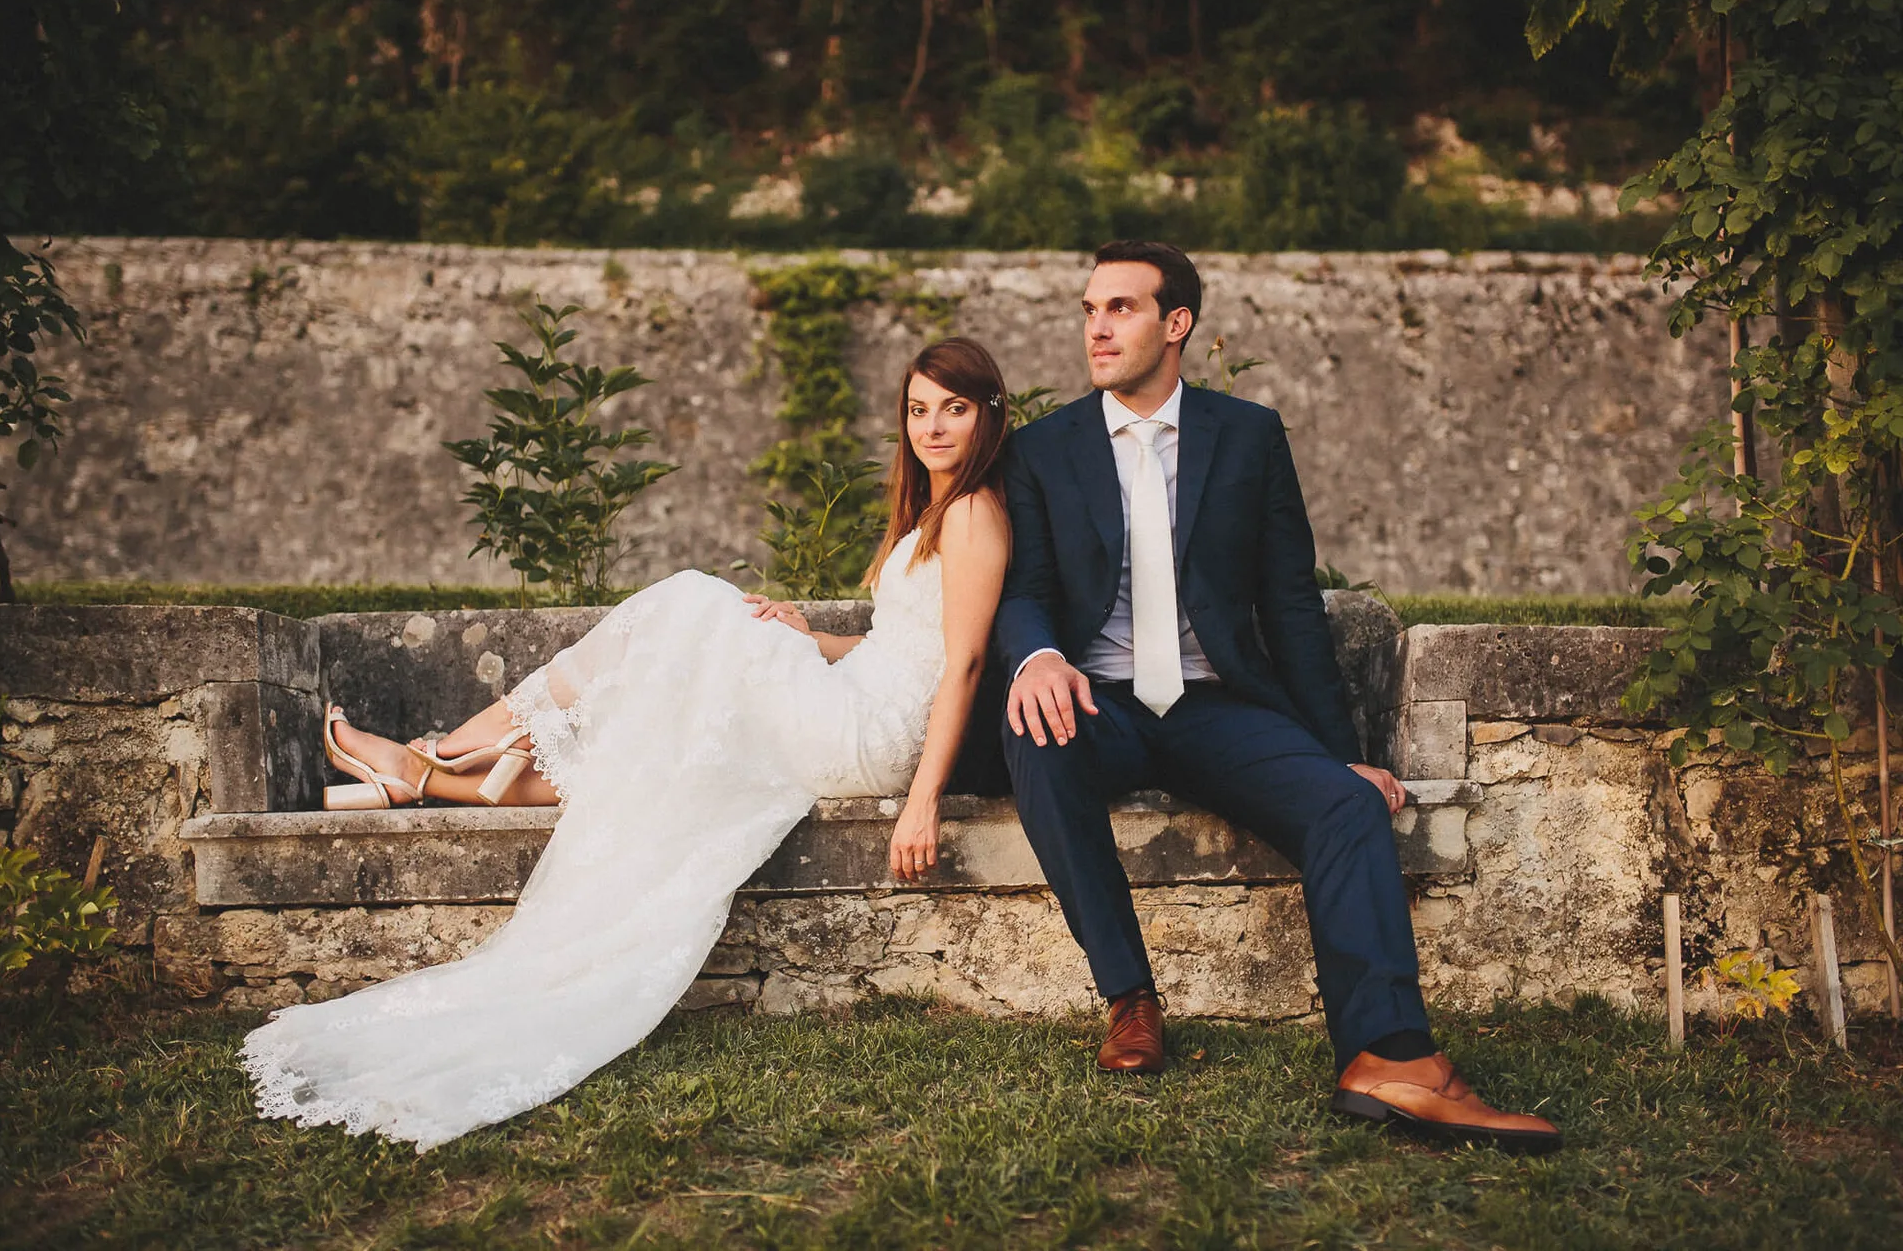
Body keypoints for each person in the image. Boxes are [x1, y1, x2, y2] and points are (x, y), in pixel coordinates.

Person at [242, 337, 1013, 1151]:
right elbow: (905, 650)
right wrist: (808, 633)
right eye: (919, 410)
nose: (932, 428)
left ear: (988, 416)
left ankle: (439, 753)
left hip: (872, 735)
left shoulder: (971, 513)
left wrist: (922, 800)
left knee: (688, 602)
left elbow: (961, 665)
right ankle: (424, 774)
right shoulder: (938, 512)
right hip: (859, 700)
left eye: (954, 410)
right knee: (662, 730)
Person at [997, 241, 1562, 1153]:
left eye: (1123, 309)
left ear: (1176, 324)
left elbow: (1291, 602)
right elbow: (1020, 588)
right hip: (1098, 702)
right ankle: (1130, 998)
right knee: (1038, 732)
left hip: (1216, 705)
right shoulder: (1043, 450)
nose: (1097, 327)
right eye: (1090, 309)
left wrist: (1345, 750)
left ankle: (1390, 1059)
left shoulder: (1248, 436)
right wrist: (1038, 659)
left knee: (1345, 804)